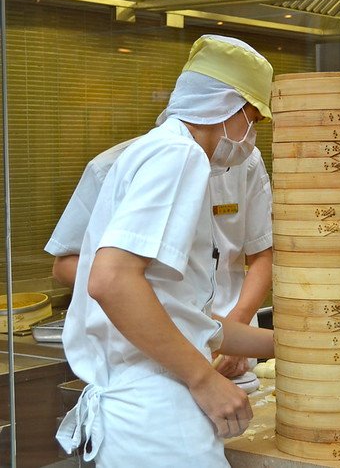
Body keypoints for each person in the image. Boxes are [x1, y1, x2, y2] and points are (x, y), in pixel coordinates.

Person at [54, 34, 275, 467]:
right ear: (228, 108)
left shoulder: (157, 150)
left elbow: (185, 319)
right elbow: (110, 280)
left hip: (150, 406)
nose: (253, 134)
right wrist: (203, 379)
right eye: (254, 118)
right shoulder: (181, 156)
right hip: (157, 413)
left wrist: (292, 345)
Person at [46, 123, 273, 379]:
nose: (250, 130)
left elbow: (263, 255)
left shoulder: (244, 160)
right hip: (148, 349)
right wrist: (147, 298)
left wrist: (238, 334)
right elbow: (76, 267)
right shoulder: (116, 165)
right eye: (250, 117)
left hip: (234, 348)